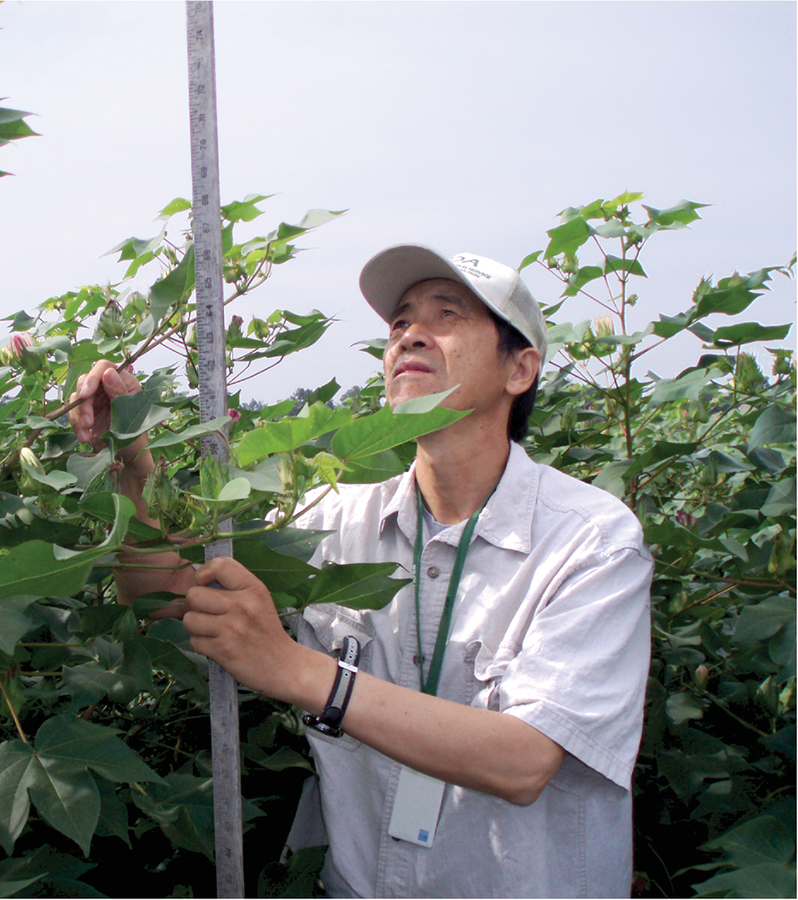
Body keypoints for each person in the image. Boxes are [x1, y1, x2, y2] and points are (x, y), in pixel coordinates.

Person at [68, 244, 653, 898]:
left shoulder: (591, 540)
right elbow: (167, 592)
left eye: (447, 315)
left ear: (520, 369)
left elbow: (524, 760)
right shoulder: (331, 519)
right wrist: (132, 462)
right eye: (399, 322)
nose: (411, 335)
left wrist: (296, 668)